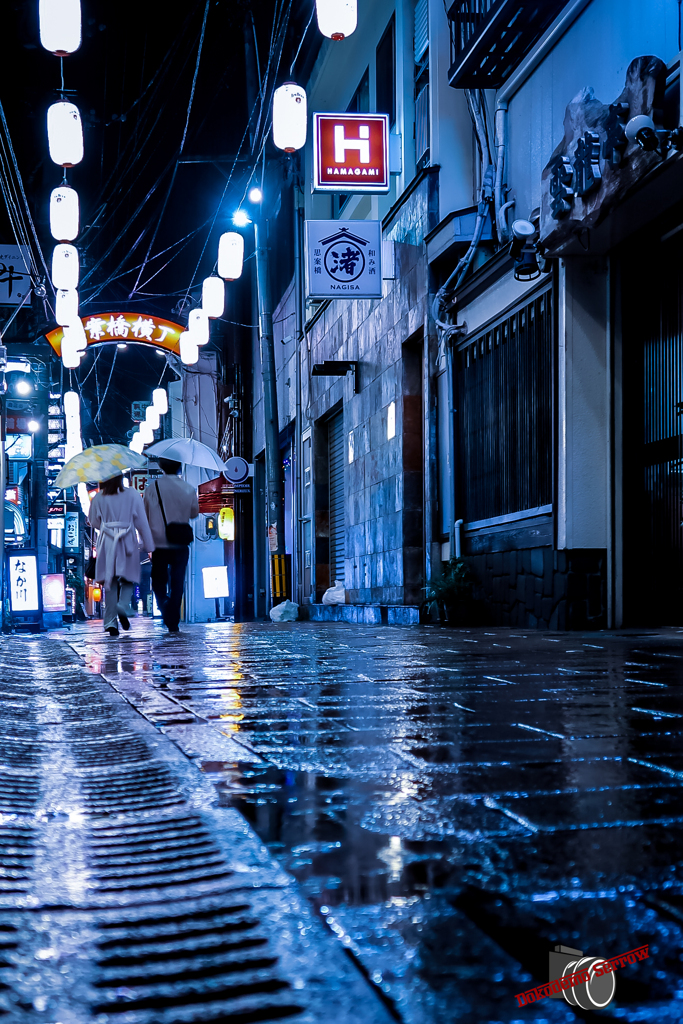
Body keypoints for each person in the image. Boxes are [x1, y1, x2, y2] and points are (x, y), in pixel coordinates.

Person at [88, 474, 155, 636]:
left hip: (107, 541)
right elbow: (141, 521)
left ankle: (110, 622)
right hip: (127, 539)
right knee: (128, 576)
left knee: (110, 581)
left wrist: (106, 524)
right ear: (120, 478)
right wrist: (148, 544)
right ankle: (123, 604)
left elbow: (93, 521)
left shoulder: (99, 497)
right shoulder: (132, 494)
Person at [144, 458, 198, 633]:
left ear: (161, 467)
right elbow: (194, 513)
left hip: (158, 543)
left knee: (158, 582)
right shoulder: (189, 488)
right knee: (178, 580)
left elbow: (145, 516)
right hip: (180, 542)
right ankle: (172, 617)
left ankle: (165, 608)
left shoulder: (151, 489)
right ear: (179, 467)